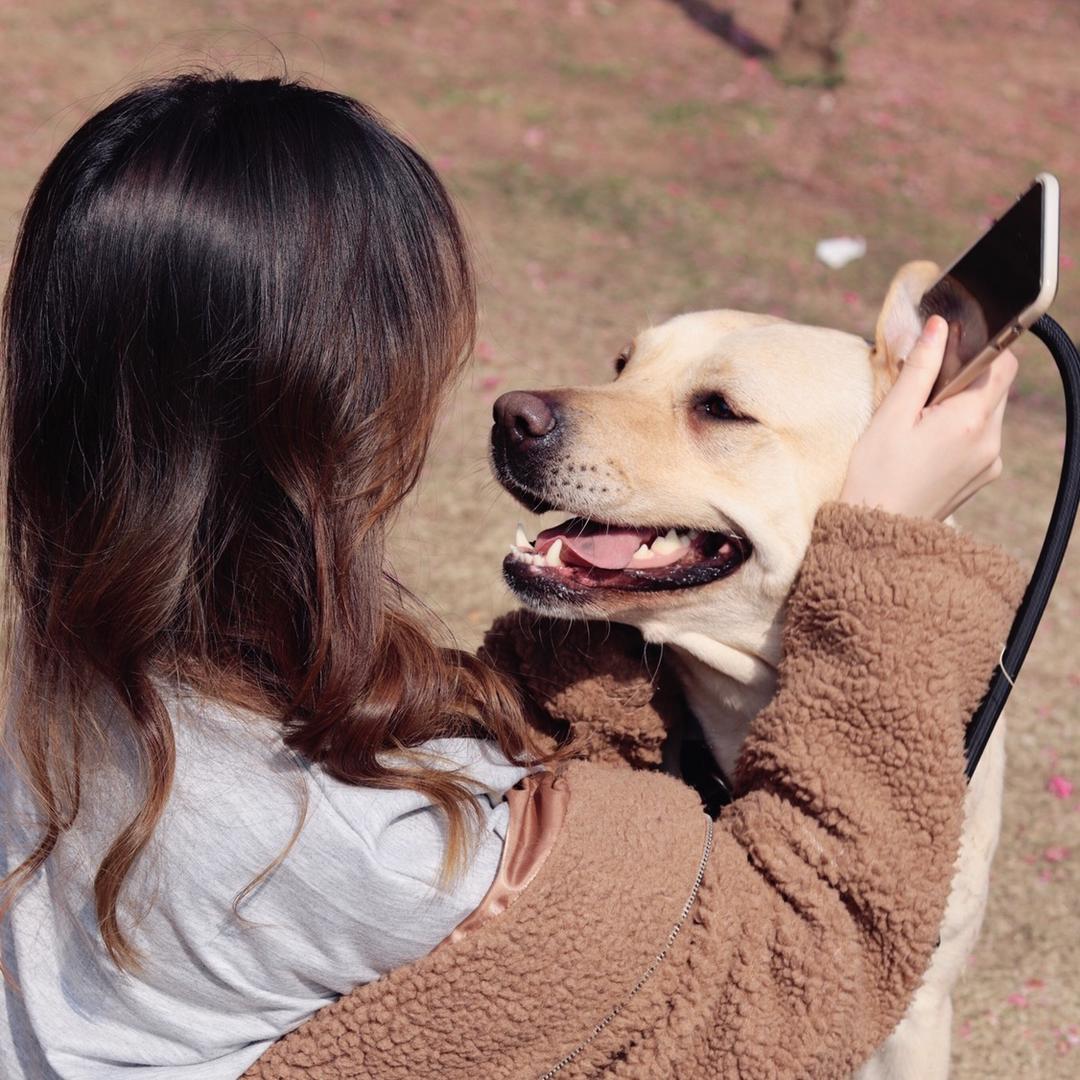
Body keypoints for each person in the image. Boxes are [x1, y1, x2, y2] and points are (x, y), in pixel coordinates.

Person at [0, 72, 1024, 1080]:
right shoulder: (392, 855)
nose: (529, 405)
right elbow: (798, 975)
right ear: (328, 420)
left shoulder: (76, 685)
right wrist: (889, 553)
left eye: (712, 408)